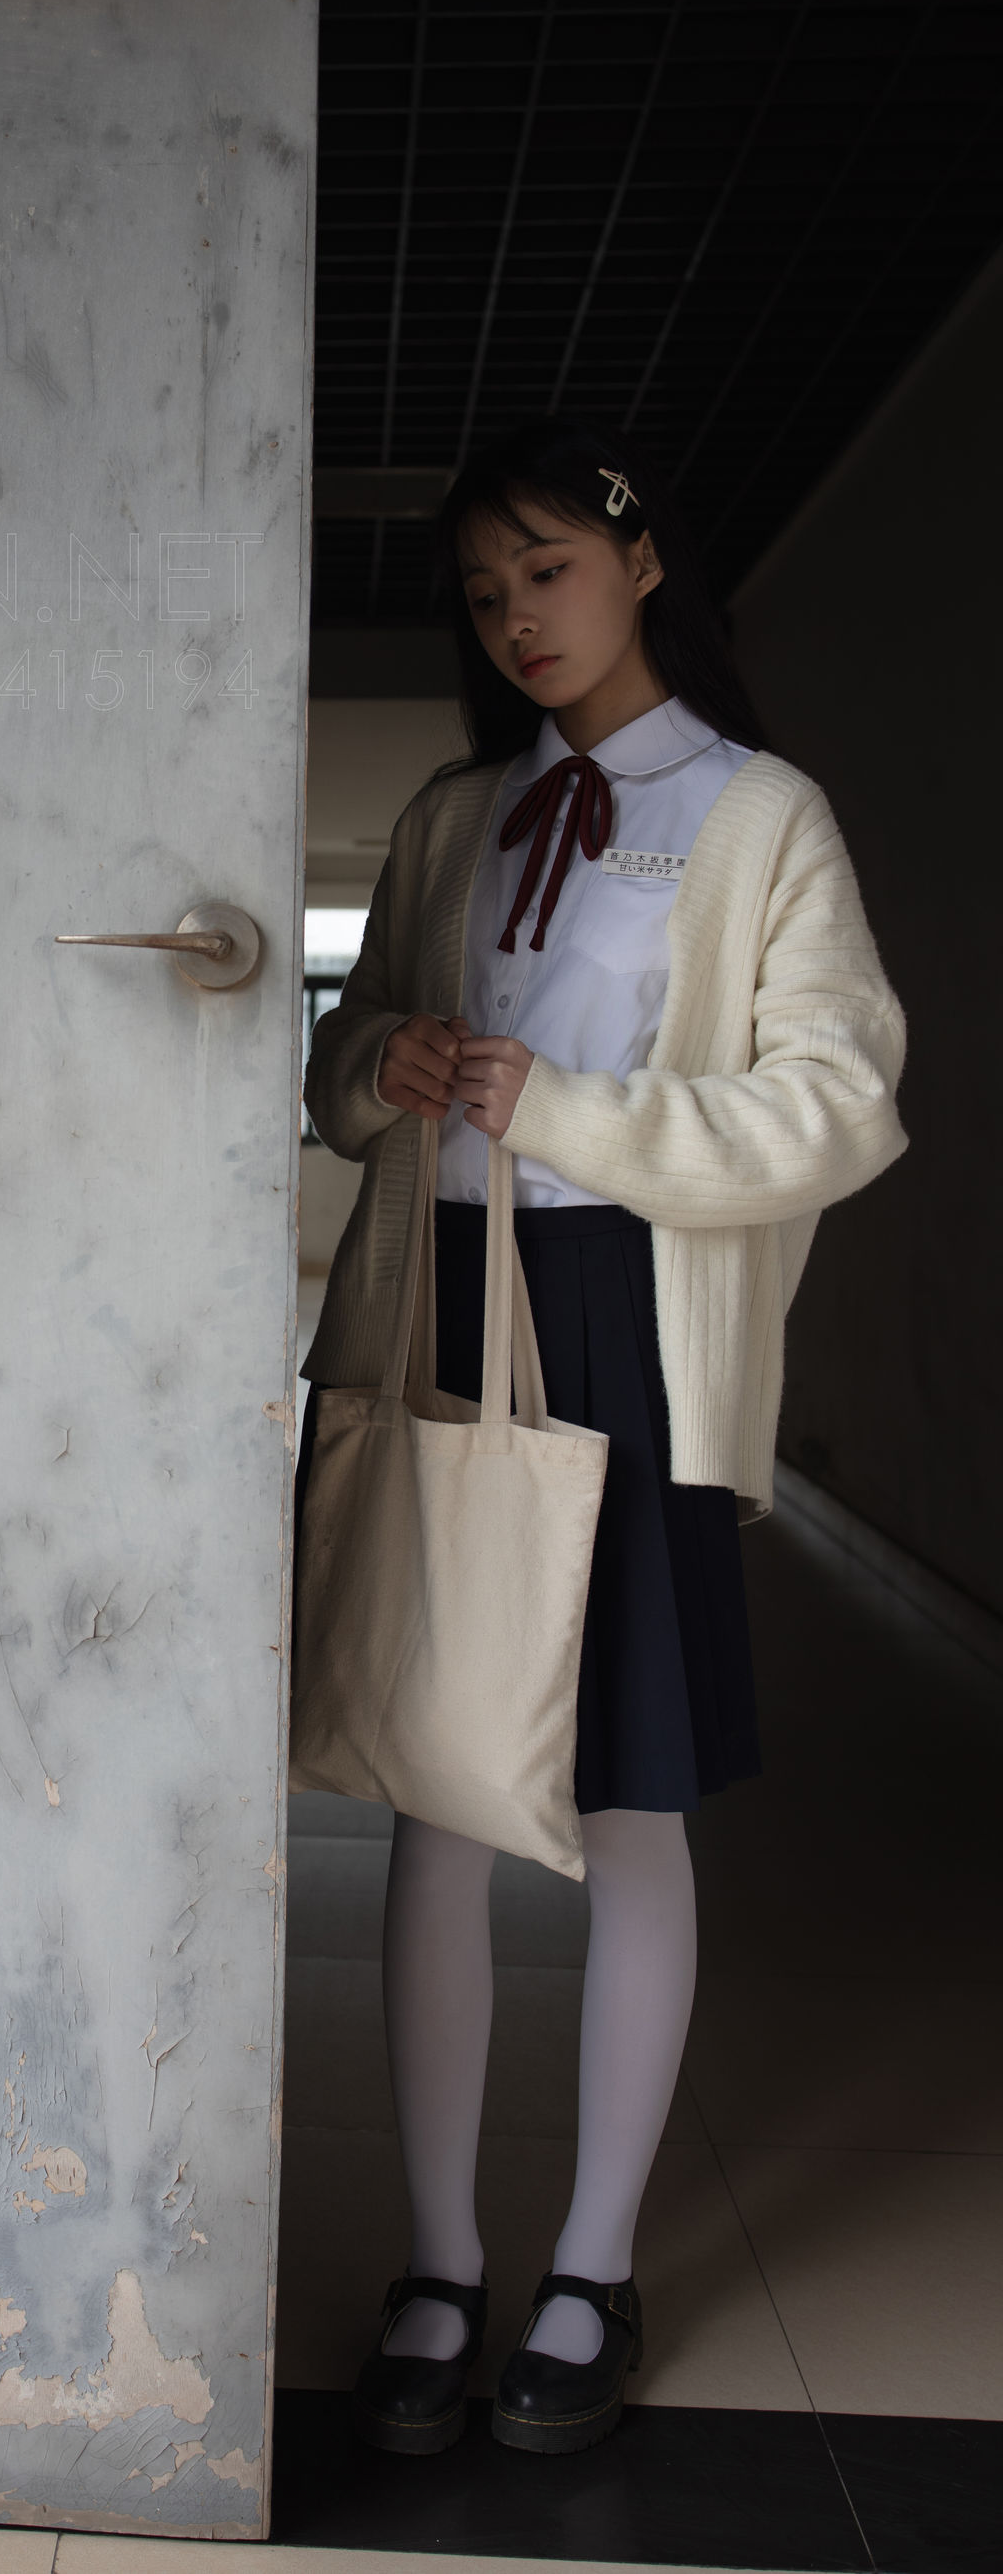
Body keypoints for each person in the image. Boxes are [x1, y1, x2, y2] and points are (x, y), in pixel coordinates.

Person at [298, 415, 906, 2457]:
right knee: (437, 1792)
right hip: (439, 1311)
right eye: (484, 592)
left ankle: (591, 2265)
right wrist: (384, 1062)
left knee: (630, 1803)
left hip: (630, 1325)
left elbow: (840, 1103)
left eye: (546, 568)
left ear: (643, 561)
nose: (515, 617)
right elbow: (338, 1073)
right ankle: (440, 2261)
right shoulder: (455, 816)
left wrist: (559, 1109)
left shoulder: (758, 816)